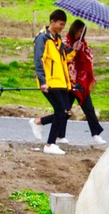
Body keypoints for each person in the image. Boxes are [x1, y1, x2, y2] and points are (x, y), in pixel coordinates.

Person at [28, 9, 76, 155]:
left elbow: (63, 59)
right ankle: (50, 144)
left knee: (66, 113)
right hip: (50, 82)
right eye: (60, 24)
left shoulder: (57, 39)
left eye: (64, 25)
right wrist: (42, 81)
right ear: (52, 22)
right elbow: (39, 60)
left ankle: (38, 122)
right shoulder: (42, 38)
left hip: (62, 82)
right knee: (61, 111)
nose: (62, 27)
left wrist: (74, 50)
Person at [56, 19, 106, 146]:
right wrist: (73, 49)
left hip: (81, 83)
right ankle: (59, 135)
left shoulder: (84, 44)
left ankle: (96, 134)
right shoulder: (65, 42)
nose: (80, 34)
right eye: (78, 31)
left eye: (81, 32)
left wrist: (82, 50)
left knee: (89, 109)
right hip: (68, 82)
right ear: (74, 30)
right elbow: (61, 58)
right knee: (65, 110)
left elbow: (89, 58)